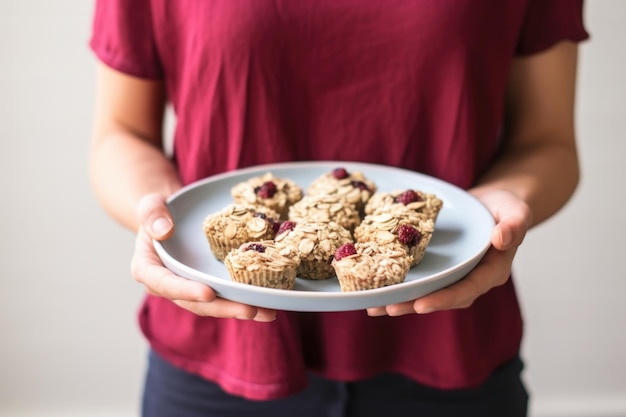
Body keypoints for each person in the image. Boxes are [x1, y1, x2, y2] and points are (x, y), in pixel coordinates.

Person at [88, 1, 588, 416]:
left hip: (452, 348)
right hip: (215, 356)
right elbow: (121, 134)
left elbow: (547, 143)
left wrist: (506, 205)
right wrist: (154, 212)